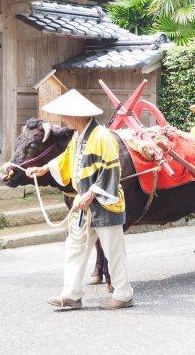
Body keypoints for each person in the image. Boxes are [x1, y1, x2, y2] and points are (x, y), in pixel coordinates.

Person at [26, 89, 133, 311]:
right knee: (74, 246)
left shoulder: (102, 136)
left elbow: (111, 170)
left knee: (113, 250)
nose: (63, 120)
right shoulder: (78, 136)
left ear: (77, 115)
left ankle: (123, 294)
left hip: (105, 203)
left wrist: (91, 193)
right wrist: (44, 168)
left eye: (65, 115)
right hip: (84, 204)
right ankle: (72, 293)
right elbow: (67, 159)